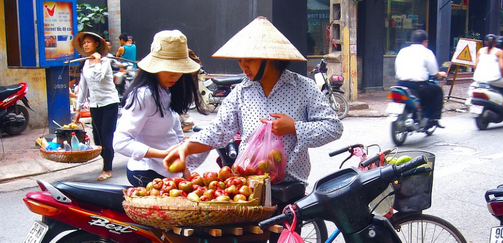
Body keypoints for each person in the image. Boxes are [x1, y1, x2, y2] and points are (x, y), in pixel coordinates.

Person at [163, 16, 343, 190]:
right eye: (240, 60)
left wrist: (294, 127)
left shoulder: (304, 88)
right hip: (247, 187)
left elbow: (333, 128)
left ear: (270, 58)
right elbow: (218, 131)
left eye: (249, 60)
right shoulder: (241, 92)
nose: (243, 66)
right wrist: (186, 147)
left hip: (290, 187)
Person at [113, 30, 208, 187]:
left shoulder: (165, 90)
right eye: (169, 69)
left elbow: (175, 131)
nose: (175, 75)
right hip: (148, 173)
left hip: (170, 173)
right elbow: (120, 142)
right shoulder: (144, 95)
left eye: (179, 70)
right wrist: (163, 154)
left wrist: (183, 165)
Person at [72, 32, 120, 181]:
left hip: (109, 103)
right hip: (95, 104)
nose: (86, 45)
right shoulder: (86, 63)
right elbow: (83, 87)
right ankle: (106, 158)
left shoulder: (105, 61)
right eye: (84, 43)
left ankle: (107, 169)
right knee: (97, 139)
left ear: (96, 44)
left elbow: (99, 78)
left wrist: (98, 62)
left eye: (88, 42)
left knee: (106, 136)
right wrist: (78, 109)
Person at [394, 29, 447, 128]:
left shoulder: (403, 51)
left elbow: (396, 69)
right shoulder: (427, 52)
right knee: (438, 91)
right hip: (418, 86)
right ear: (424, 41)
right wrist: (441, 74)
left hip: (400, 84)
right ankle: (434, 119)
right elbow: (434, 72)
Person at [473, 34, 503, 108]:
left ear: (485, 42)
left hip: (478, 79)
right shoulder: (499, 52)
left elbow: (475, 66)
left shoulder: (480, 50)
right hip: (493, 80)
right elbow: (502, 67)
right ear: (495, 42)